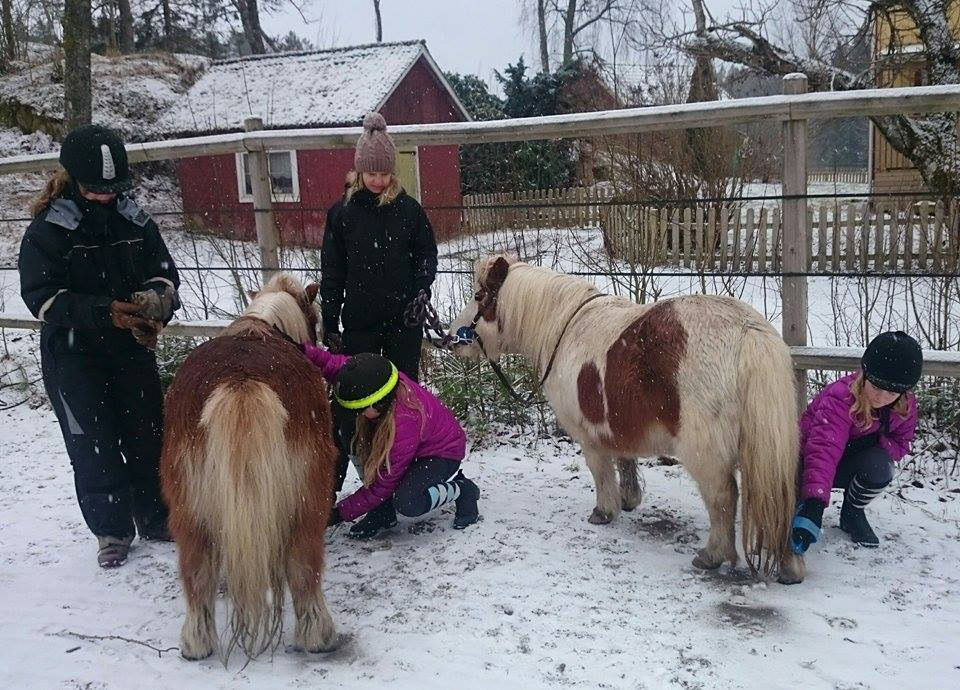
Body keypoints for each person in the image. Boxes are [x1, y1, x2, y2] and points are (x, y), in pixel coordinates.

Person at [18, 124, 181, 569]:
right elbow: (41, 297)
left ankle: (155, 513)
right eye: (95, 189)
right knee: (93, 440)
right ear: (72, 181)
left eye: (113, 188)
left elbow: (165, 270)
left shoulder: (135, 221)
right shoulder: (48, 231)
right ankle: (111, 528)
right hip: (74, 352)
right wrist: (100, 311)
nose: (105, 197)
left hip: (130, 347)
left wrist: (158, 298)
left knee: (147, 432)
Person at [320, 112, 438, 529]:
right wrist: (329, 322)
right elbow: (332, 272)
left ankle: (402, 480)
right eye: (370, 172)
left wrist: (421, 292)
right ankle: (349, 484)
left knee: (402, 403)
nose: (377, 180)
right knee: (355, 408)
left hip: (402, 323)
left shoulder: (408, 211)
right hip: (360, 325)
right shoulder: (343, 214)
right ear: (358, 171)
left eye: (384, 172)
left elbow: (427, 255)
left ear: (393, 172)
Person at [302, 344, 480, 539]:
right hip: (416, 449)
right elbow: (333, 364)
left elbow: (383, 484)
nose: (358, 415)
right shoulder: (375, 378)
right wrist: (300, 349)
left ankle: (462, 489)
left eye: (361, 409)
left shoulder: (404, 422)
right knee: (350, 434)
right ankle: (383, 513)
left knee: (408, 502)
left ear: (378, 402)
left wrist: (338, 514)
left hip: (442, 454)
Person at [791, 331, 922, 552]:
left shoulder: (905, 407)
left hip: (847, 463)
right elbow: (822, 450)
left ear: (903, 392)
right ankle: (801, 503)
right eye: (876, 387)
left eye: (891, 393)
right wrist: (815, 504)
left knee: (880, 466)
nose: (881, 398)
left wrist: (876, 442)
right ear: (865, 376)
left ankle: (852, 513)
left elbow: (901, 445)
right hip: (806, 462)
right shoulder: (840, 397)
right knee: (793, 511)